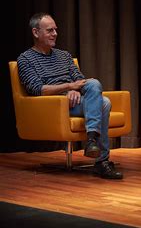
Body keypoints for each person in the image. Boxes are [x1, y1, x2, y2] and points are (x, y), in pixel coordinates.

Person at [17, 12, 123, 179]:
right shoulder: (25, 59)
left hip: (75, 101)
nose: (55, 34)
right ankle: (101, 160)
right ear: (36, 33)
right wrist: (68, 87)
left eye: (55, 30)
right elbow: (36, 89)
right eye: (49, 30)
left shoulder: (64, 56)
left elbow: (79, 79)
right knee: (105, 103)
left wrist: (76, 89)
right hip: (53, 106)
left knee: (94, 85)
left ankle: (92, 141)